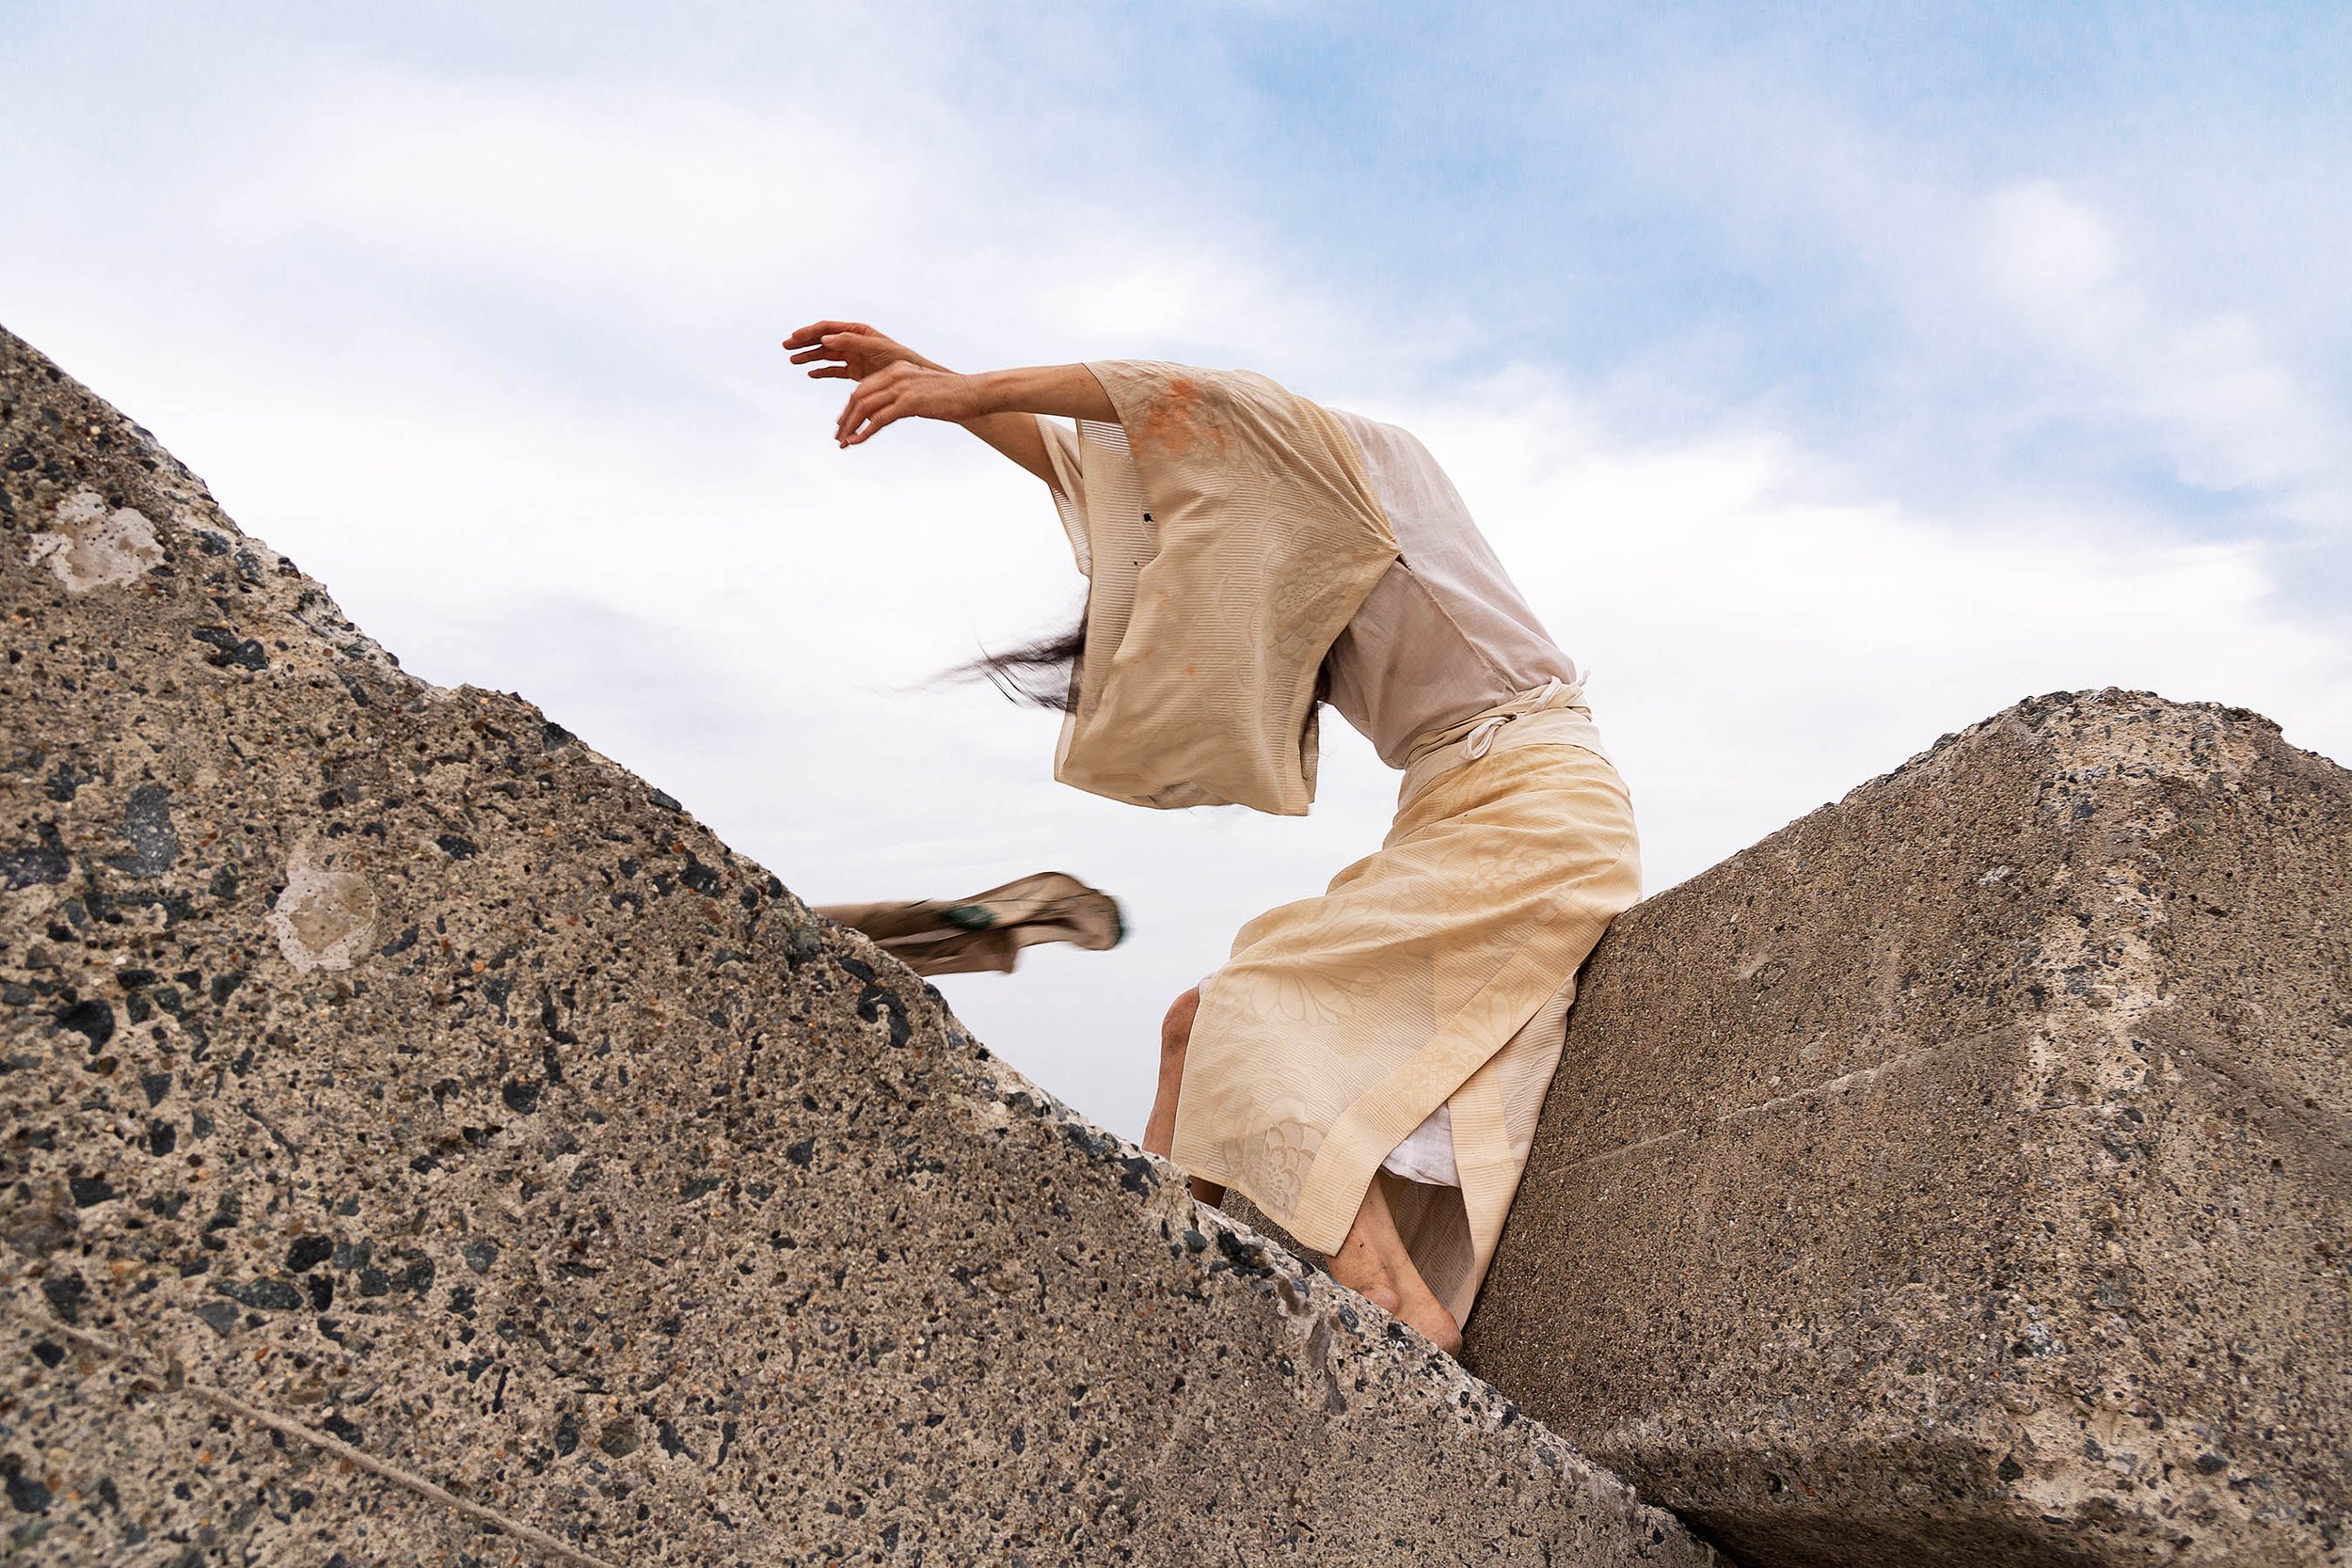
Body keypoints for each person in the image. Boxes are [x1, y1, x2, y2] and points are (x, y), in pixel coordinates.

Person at [785, 321, 1641, 1354]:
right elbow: (1096, 458)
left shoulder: (1352, 462)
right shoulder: (1285, 517)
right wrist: (942, 392)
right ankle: (1143, 1271)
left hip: (1536, 802)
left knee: (1244, 1011)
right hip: (1446, 807)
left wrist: (964, 388)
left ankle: (1398, 1308)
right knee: (1195, 1029)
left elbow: (1181, 402)